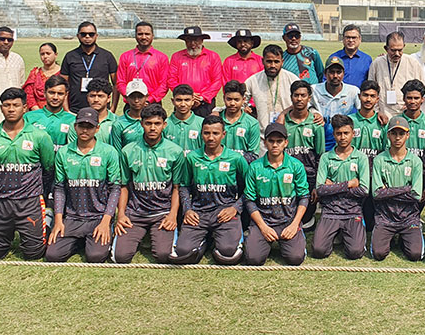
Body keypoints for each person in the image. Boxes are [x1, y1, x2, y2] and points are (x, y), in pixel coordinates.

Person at [0, 88, 55, 260]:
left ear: (25, 108)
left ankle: (46, 219)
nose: (11, 109)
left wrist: (33, 189)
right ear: (1, 108)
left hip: (30, 202)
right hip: (0, 202)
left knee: (33, 254)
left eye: (16, 105)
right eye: (7, 105)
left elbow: (48, 168)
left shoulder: (39, 136)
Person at [44, 108, 122, 263]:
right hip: (72, 217)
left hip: (98, 217)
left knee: (95, 257)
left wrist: (106, 221)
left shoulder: (108, 152)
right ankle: (78, 241)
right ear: (75, 126)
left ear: (97, 128)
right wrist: (59, 221)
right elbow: (59, 188)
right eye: (81, 125)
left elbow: (115, 188)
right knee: (53, 255)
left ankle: (91, 239)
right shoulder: (64, 153)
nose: (85, 130)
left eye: (90, 126)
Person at [112, 104, 186, 264]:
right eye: (148, 123)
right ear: (141, 124)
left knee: (163, 255)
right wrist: (122, 214)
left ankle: (154, 236)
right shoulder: (128, 150)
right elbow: (123, 186)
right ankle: (138, 236)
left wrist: (173, 215)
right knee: (120, 257)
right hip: (135, 214)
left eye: (157, 124)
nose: (153, 128)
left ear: (164, 125)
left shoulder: (175, 151)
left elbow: (176, 188)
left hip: (162, 213)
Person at [170, 115, 248, 265]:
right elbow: (184, 186)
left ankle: (222, 240)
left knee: (228, 252)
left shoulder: (236, 159)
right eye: (207, 133)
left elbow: (249, 190)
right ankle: (203, 243)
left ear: (223, 134)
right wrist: (187, 210)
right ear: (201, 133)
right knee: (183, 252)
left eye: (215, 133)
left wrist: (235, 208)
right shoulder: (192, 158)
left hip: (225, 213)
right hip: (199, 213)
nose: (211, 137)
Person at [244, 122, 310, 266]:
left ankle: (296, 235)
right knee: (253, 259)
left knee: (295, 259)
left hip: (288, 221)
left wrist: (294, 224)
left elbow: (304, 197)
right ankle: (258, 239)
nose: (275, 145)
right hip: (263, 221)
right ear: (264, 142)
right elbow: (249, 200)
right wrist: (263, 227)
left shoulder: (296, 166)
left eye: (279, 141)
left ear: (286, 143)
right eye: (271, 141)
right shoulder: (255, 167)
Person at [311, 114, 369, 259]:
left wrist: (333, 187)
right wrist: (348, 184)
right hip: (330, 211)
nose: (342, 137)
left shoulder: (361, 157)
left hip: (352, 210)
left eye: (346, 133)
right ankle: (336, 234)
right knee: (319, 251)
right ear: (334, 134)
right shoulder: (326, 157)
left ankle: (346, 235)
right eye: (338, 134)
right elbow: (321, 189)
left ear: (353, 133)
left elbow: (363, 190)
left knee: (355, 253)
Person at [370, 116, 425, 261]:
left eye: (401, 134)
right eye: (394, 133)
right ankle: (390, 237)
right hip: (385, 217)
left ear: (408, 135)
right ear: (388, 135)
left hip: (409, 217)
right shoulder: (379, 160)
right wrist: (406, 188)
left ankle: (403, 239)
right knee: (379, 254)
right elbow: (376, 194)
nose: (397, 138)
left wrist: (388, 191)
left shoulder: (415, 161)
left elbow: (416, 195)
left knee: (415, 255)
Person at [284, 80, 325, 227]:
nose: (299, 99)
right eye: (296, 95)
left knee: (306, 219)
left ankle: (309, 217)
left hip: (309, 175)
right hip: (287, 174)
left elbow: (320, 156)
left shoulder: (316, 124)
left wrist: (316, 186)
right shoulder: (283, 122)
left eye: (303, 95)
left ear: (309, 98)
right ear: (291, 97)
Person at [399, 79, 425, 222]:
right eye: (409, 98)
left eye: (416, 98)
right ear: (404, 99)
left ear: (422, 100)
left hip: (422, 177)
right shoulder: (396, 121)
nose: (412, 101)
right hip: (400, 177)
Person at [60, 21, 118, 114]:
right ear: (78, 36)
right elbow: (63, 85)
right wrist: (66, 110)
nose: (87, 37)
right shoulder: (70, 56)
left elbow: (116, 84)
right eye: (83, 34)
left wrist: (113, 108)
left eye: (91, 34)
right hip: (75, 109)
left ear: (96, 36)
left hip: (101, 110)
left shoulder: (107, 56)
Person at [168, 26, 224, 116]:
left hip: (205, 104)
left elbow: (217, 81)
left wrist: (202, 97)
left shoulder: (213, 57)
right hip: (183, 103)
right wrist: (187, 96)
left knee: (206, 128)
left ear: (202, 40)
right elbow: (171, 80)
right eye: (189, 40)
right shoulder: (176, 57)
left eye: (196, 40)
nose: (193, 44)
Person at [368, 31, 425, 117]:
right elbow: (371, 90)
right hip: (383, 114)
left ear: (404, 47)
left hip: (406, 114)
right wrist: (376, 112)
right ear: (386, 48)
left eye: (400, 50)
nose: (397, 54)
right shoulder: (377, 63)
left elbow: (421, 89)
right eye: (393, 50)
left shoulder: (412, 63)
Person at [312, 56, 360, 151]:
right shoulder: (314, 90)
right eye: (331, 72)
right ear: (325, 74)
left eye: (338, 72)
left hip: (344, 140)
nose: (335, 76)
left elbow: (363, 111)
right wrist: (313, 111)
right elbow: (302, 105)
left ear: (343, 74)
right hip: (322, 140)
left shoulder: (353, 91)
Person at [246, 44, 299, 131]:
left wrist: (284, 113)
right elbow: (239, 100)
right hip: (262, 135)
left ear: (282, 62)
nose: (273, 65)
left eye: (276, 62)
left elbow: (303, 102)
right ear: (263, 61)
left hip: (287, 133)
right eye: (269, 61)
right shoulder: (253, 80)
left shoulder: (292, 79)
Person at [117, 21, 169, 107]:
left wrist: (149, 99)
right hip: (131, 103)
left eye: (147, 34)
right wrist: (129, 98)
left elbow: (164, 84)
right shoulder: (125, 56)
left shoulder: (162, 58)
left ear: (153, 36)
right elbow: (120, 82)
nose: (144, 37)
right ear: (135, 36)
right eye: (140, 34)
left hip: (152, 103)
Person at [24, 75, 75, 152]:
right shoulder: (29, 117)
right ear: (44, 93)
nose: (55, 97)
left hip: (60, 163)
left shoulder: (72, 120)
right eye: (51, 92)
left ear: (66, 95)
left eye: (60, 94)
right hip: (35, 163)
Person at [67, 77, 117, 145]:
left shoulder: (116, 122)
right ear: (87, 97)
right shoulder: (76, 123)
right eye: (92, 96)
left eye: (100, 96)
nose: (96, 100)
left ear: (108, 98)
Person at [220, 80, 261, 162]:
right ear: (224, 98)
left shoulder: (252, 123)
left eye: (236, 100)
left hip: (242, 170)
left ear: (243, 100)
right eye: (229, 99)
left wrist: (233, 163)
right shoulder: (216, 120)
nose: (232, 103)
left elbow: (253, 154)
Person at [162, 84, 204, 156]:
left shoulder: (202, 123)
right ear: (173, 101)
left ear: (193, 101)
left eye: (187, 100)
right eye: (179, 100)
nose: (183, 104)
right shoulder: (165, 124)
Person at [349, 80, 387, 160]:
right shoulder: (350, 121)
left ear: (377, 99)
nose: (368, 99)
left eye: (372, 96)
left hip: (376, 168)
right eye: (365, 95)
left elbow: (387, 150)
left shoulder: (383, 122)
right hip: (353, 167)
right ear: (359, 96)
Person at [110, 79, 149, 151]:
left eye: (140, 97)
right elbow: (117, 152)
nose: (136, 100)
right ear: (126, 98)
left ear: (146, 97)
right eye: (132, 97)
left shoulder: (153, 122)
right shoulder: (118, 124)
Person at [23, 43, 59, 110]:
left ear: (55, 55)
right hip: (36, 112)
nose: (45, 56)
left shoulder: (63, 74)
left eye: (48, 53)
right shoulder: (35, 73)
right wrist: (37, 110)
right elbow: (29, 94)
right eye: (42, 54)